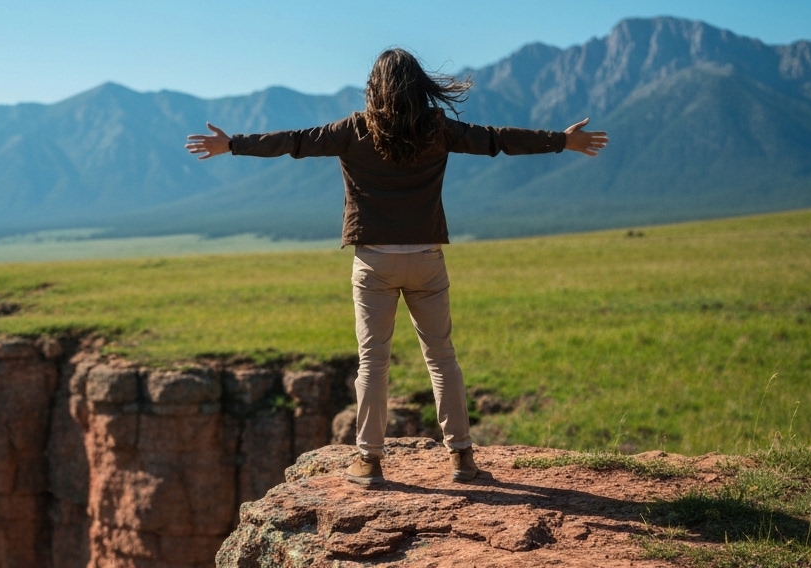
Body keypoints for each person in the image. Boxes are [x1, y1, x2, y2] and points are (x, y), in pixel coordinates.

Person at [185, 48, 607, 487]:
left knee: (372, 363)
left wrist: (231, 144)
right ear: (418, 85)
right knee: (443, 359)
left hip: (373, 262)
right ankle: (461, 458)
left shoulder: (352, 129)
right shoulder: (438, 128)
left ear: (375, 86)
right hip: (426, 260)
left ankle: (368, 462)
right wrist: (562, 140)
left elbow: (293, 142)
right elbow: (497, 139)